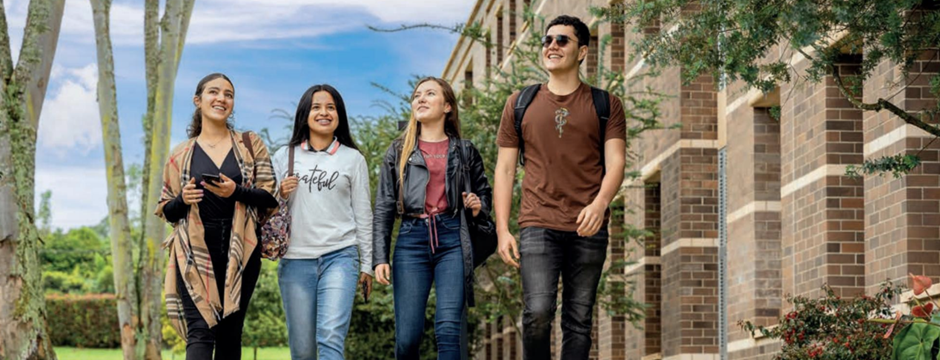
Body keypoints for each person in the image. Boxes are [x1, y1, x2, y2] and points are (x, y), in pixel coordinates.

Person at [492, 15, 627, 359]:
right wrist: (502, 229)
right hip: (538, 224)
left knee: (579, 321)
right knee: (537, 313)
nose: (551, 46)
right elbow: (505, 169)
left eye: (562, 40)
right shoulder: (519, 103)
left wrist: (599, 206)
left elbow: (616, 163)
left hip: (588, 227)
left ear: (582, 51)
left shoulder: (605, 104)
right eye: (547, 40)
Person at [156, 72, 278, 360]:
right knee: (199, 332)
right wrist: (182, 200)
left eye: (228, 94)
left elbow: (269, 197)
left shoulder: (250, 144)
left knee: (230, 333)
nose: (221, 98)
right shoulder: (180, 154)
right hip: (194, 251)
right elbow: (166, 209)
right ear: (198, 100)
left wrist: (237, 191)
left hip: (242, 249)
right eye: (214, 92)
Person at [373, 77, 492, 359]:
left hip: (452, 238)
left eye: (430, 94)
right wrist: (380, 257)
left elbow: (484, 193)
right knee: (408, 338)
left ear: (447, 106)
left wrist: (477, 205)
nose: (421, 99)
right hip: (411, 240)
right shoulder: (398, 150)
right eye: (417, 95)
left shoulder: (465, 150)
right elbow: (384, 206)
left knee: (449, 329)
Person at [272, 84, 374, 360]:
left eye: (331, 107)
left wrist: (367, 264)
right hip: (295, 260)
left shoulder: (353, 159)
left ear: (339, 114)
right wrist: (279, 193)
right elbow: (263, 207)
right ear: (305, 114)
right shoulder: (284, 156)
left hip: (340, 256)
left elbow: (364, 214)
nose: (324, 112)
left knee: (330, 338)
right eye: (316, 107)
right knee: (303, 350)